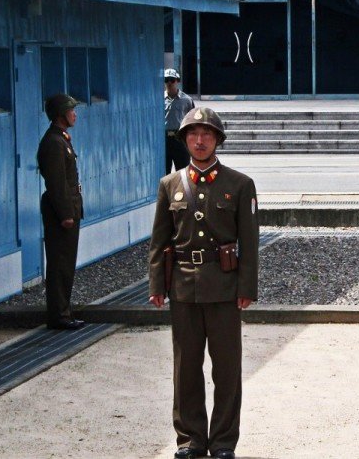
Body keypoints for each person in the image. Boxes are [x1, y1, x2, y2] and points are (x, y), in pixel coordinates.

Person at [149, 107, 259, 459]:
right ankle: (190, 440)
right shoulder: (170, 185)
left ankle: (223, 441)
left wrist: (246, 287)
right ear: (184, 140)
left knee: (226, 369)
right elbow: (159, 240)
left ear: (217, 140)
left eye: (207, 134)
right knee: (186, 369)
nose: (200, 140)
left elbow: (249, 241)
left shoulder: (239, 184)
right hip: (183, 288)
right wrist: (157, 285)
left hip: (224, 288)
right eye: (193, 134)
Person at [37, 94, 85, 330]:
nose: (74, 114)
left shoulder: (61, 139)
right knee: (60, 264)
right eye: (71, 110)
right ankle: (59, 315)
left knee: (66, 263)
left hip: (70, 206)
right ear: (60, 115)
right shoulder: (54, 143)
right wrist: (66, 213)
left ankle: (63, 311)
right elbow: (56, 183)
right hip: (62, 212)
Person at [165, 68, 196, 174]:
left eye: (172, 80)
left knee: (183, 172)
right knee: (164, 173)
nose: (169, 83)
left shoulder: (186, 100)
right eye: (166, 80)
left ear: (177, 81)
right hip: (164, 139)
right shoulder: (159, 99)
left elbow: (192, 120)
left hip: (180, 138)